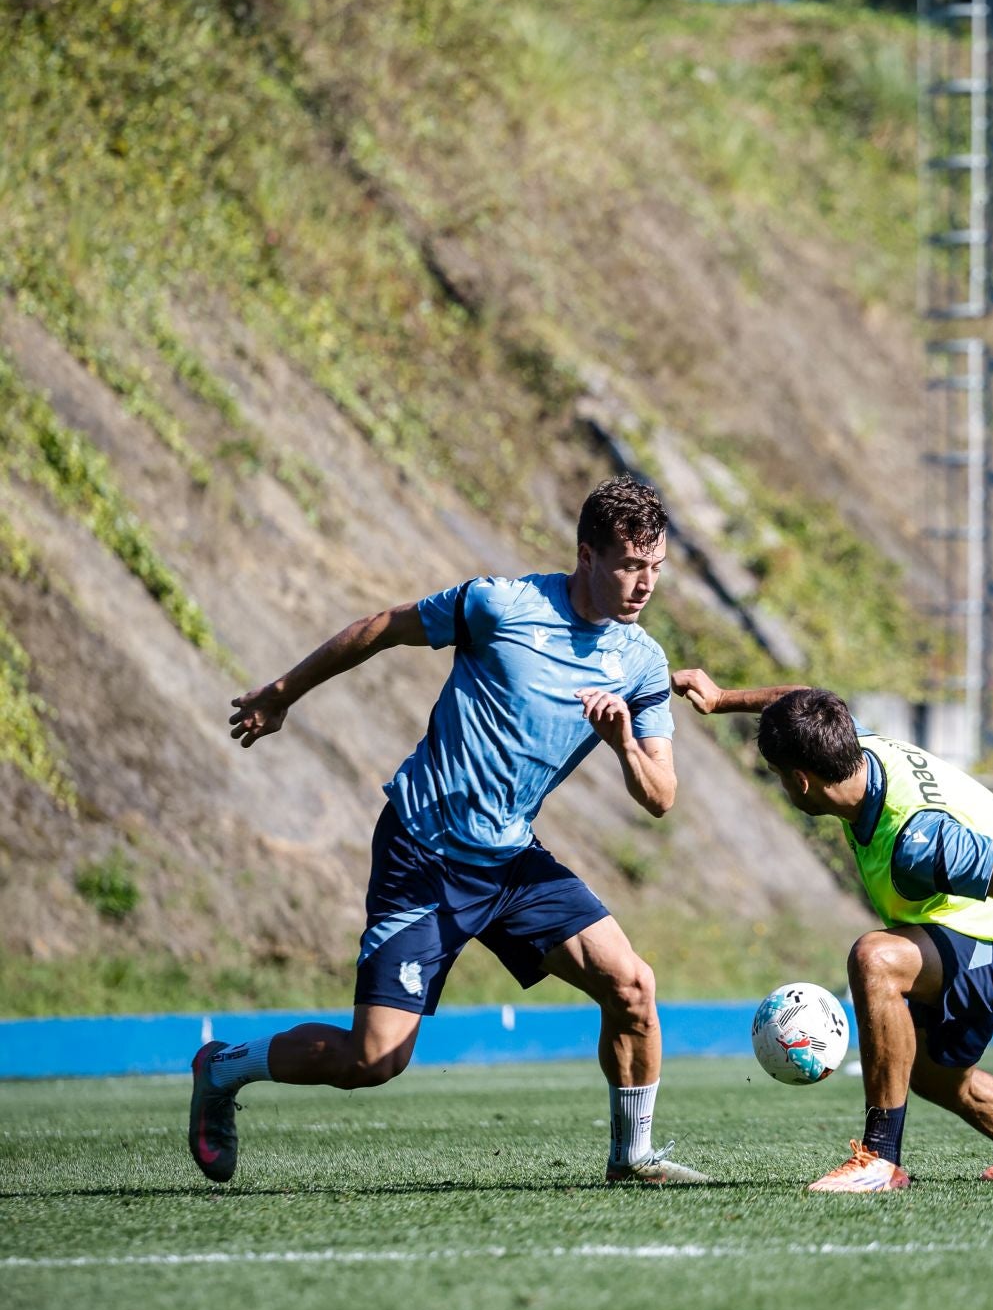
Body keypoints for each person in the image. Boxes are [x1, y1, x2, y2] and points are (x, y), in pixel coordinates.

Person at [189, 476, 708, 1186]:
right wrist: (283, 693)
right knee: (374, 1059)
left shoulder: (641, 662)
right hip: (423, 853)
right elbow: (382, 627)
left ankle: (633, 1156)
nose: (645, 584)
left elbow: (661, 797)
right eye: (630, 565)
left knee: (632, 987)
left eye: (656, 567)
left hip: (511, 860)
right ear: (587, 555)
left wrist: (622, 744)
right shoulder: (500, 605)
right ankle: (223, 1067)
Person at [671, 673, 993, 1193]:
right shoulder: (854, 745)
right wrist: (721, 700)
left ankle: (879, 1160)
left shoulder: (922, 839)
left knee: (875, 959)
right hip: (967, 925)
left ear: (801, 781)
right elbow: (799, 700)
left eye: (781, 778)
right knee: (936, 1078)